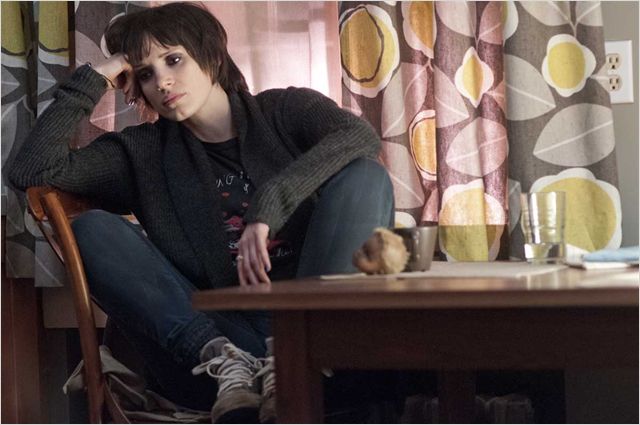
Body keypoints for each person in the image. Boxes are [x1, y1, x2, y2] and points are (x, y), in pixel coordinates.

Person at [7, 2, 394, 423]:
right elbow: (32, 171)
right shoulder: (141, 152)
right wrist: (98, 75)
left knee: (365, 175)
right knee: (94, 229)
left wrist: (268, 207)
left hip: (316, 339)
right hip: (221, 357)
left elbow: (359, 137)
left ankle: (296, 361)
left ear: (210, 56)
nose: (162, 82)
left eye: (173, 60)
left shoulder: (285, 110)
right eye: (145, 73)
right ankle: (229, 362)